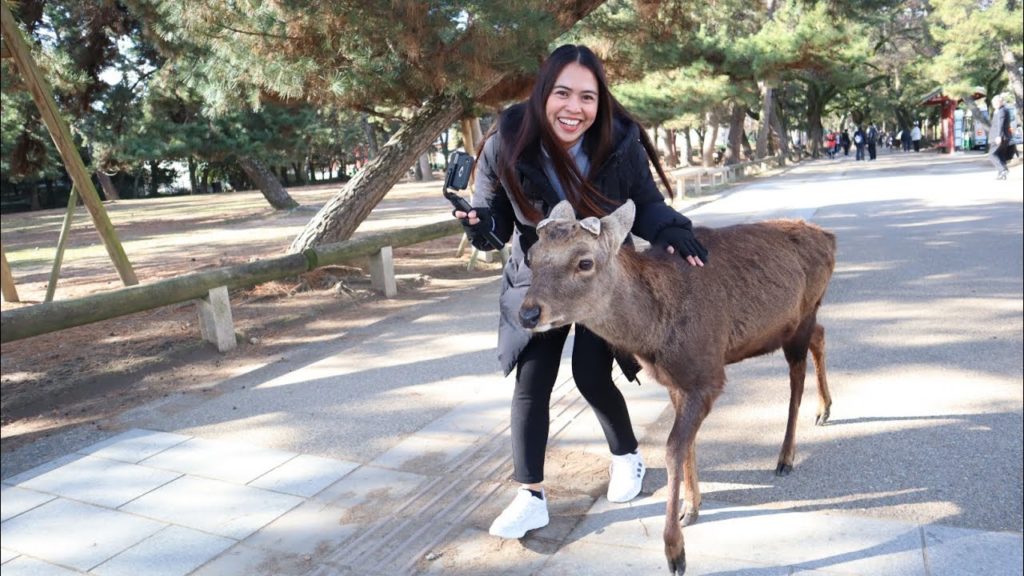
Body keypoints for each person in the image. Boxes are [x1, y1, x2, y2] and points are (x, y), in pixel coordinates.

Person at [453, 44, 708, 540]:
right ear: (542, 94)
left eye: (587, 97)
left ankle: (627, 456)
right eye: (562, 93)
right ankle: (529, 495)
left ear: (600, 101)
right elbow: (495, 222)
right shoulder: (506, 142)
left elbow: (646, 203)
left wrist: (673, 230)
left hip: (596, 278)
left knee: (591, 374)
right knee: (532, 380)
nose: (575, 108)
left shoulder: (618, 139)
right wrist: (479, 225)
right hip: (541, 278)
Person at [988, 94, 1012, 180]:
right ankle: (1002, 173)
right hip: (1004, 137)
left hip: (1000, 137)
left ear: (1000, 102)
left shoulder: (1001, 111)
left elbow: (1000, 124)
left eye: (995, 102)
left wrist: (998, 136)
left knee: (992, 155)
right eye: (993, 103)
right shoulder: (1003, 110)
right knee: (1000, 155)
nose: (994, 104)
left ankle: (1002, 170)